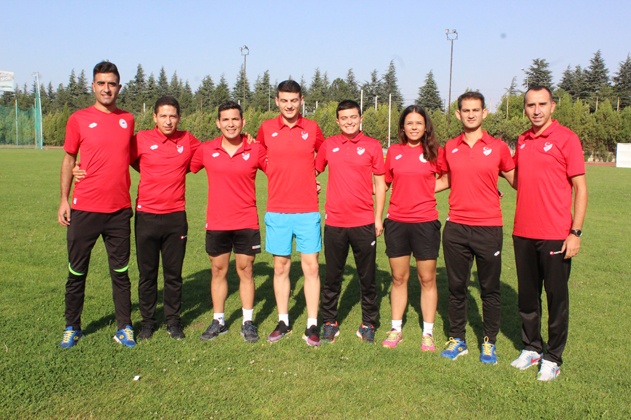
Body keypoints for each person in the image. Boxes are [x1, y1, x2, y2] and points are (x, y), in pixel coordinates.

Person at [510, 86, 587, 381]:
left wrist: (575, 232)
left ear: (553, 106)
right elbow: (519, 180)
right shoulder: (523, 140)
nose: (536, 110)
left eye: (542, 104)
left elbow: (581, 189)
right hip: (523, 232)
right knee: (528, 297)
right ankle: (532, 348)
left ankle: (553, 357)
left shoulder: (567, 138)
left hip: (556, 233)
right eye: (531, 105)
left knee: (556, 299)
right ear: (525, 108)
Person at [57, 61, 136, 348]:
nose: (106, 88)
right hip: (84, 209)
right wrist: (64, 200)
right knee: (77, 272)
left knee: (121, 273)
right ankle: (72, 326)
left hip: (118, 211)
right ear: (93, 86)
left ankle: (124, 327)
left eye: (111, 83)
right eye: (101, 83)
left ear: (119, 87)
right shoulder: (78, 119)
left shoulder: (128, 119)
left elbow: (133, 156)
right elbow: (69, 159)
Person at [439, 91, 515, 364]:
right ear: (458, 114)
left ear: (484, 113)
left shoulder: (498, 147)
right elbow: (444, 180)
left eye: (476, 110)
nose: (471, 115)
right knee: (456, 287)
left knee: (489, 289)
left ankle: (489, 342)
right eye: (466, 110)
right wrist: (408, 187)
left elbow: (517, 179)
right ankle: (457, 339)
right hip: (456, 228)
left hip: (488, 228)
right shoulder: (450, 147)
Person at [190, 101, 267, 343]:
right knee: (218, 270)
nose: (230, 124)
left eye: (235, 119)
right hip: (217, 222)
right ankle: (219, 320)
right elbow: (180, 167)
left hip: (246, 221)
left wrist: (310, 182)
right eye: (225, 119)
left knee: (246, 270)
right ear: (218, 123)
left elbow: (279, 171)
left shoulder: (256, 149)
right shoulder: (206, 149)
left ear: (243, 122)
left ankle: (248, 321)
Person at [256, 80, 324, 346]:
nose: (289, 105)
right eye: (284, 100)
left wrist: (312, 174)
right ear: (276, 101)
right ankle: (283, 321)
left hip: (307, 210)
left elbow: (324, 153)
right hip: (278, 210)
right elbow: (258, 153)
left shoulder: (312, 128)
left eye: (294, 100)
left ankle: (312, 324)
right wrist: (272, 171)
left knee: (312, 267)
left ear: (301, 101)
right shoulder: (266, 128)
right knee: (280, 266)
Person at [315, 100, 386, 344]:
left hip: (363, 222)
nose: (349, 122)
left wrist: (378, 218)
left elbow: (380, 184)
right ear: (337, 121)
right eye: (344, 118)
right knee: (332, 277)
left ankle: (368, 323)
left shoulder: (372, 146)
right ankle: (329, 322)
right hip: (335, 222)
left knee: (367, 278)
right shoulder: (329, 145)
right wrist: (311, 182)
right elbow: (312, 170)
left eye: (353, 117)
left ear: (360, 118)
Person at [131, 96, 201, 340]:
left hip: (175, 217)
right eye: (163, 116)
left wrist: (246, 138)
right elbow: (120, 159)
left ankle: (173, 322)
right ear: (154, 117)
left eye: (172, 116)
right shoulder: (141, 139)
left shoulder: (188, 139)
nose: (168, 121)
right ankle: (147, 323)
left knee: (173, 275)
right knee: (147, 274)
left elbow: (214, 150)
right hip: (146, 216)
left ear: (179, 118)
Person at [380, 105, 448, 351]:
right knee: (399, 278)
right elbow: (384, 183)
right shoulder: (394, 152)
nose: (414, 127)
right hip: (397, 223)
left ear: (425, 126)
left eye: (419, 123)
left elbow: (448, 178)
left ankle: (427, 332)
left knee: (427, 278)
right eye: (409, 123)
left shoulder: (434, 152)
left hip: (425, 223)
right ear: (402, 127)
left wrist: (426, 189)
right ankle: (395, 328)